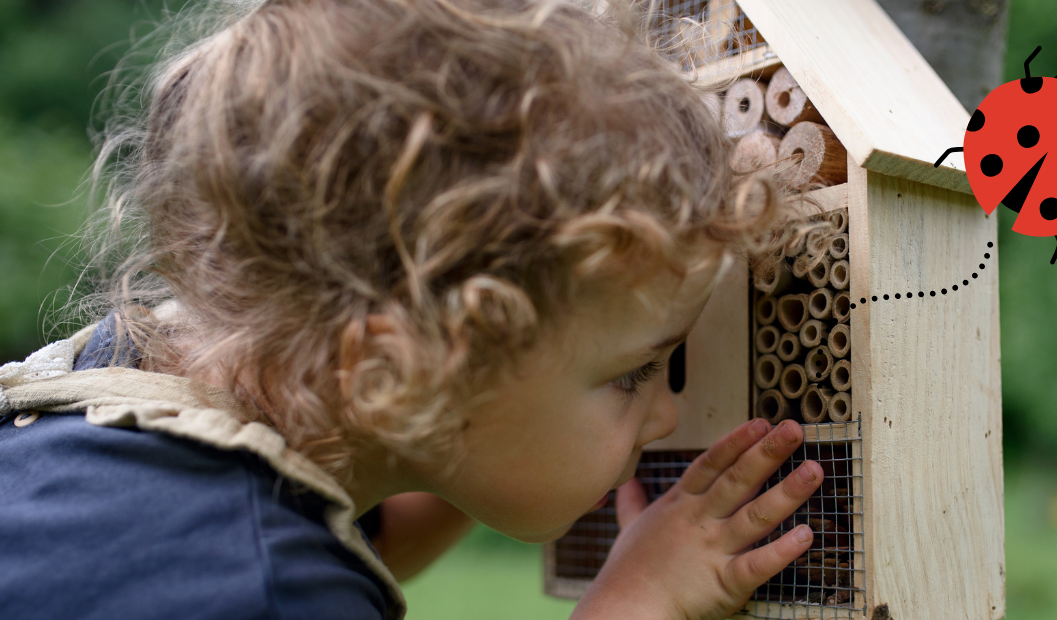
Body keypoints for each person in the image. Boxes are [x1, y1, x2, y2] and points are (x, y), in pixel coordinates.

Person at [0, 1, 832, 618]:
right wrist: (639, 601)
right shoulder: (268, 591)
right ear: (398, 377)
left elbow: (357, 505)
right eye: (633, 373)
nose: (668, 413)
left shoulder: (119, 399)